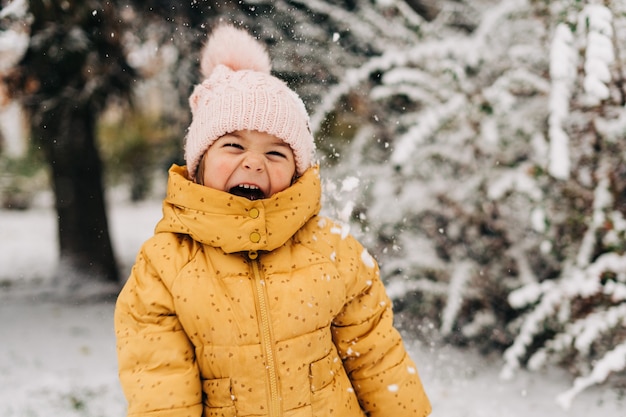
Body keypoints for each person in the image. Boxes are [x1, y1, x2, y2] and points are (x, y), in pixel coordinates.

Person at [114, 23, 432, 417]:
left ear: (298, 172)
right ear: (198, 164)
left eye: (276, 154)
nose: (253, 162)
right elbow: (161, 387)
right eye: (233, 146)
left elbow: (377, 359)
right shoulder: (165, 265)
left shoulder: (333, 251)